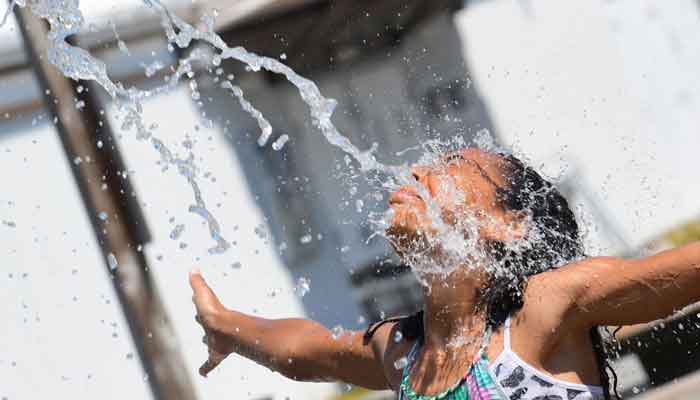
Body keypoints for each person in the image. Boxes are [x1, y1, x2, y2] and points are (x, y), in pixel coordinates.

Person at [189, 148, 700, 399]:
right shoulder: (405, 354)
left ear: (509, 225)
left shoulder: (542, 311)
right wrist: (227, 327)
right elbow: (303, 350)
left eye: (452, 162)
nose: (416, 172)